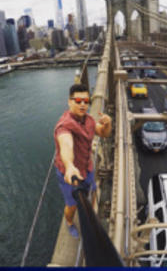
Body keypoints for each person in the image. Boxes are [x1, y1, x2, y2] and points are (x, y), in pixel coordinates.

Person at [53, 83, 112, 238]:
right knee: (71, 205)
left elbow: (103, 134)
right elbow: (66, 144)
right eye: (78, 100)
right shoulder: (64, 125)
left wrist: (108, 123)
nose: (83, 104)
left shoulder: (89, 120)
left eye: (86, 101)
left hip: (87, 168)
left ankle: (89, 213)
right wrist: (70, 166)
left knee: (92, 191)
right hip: (70, 174)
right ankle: (70, 223)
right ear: (69, 101)